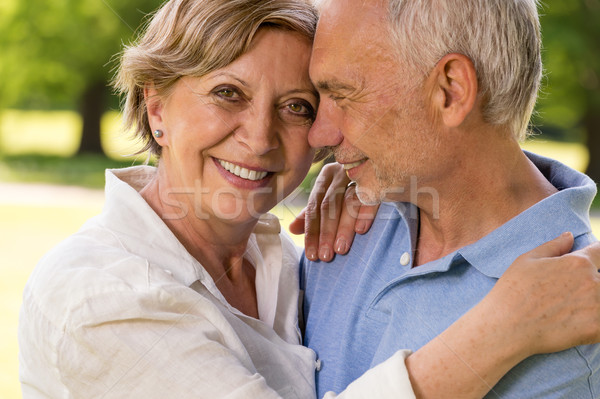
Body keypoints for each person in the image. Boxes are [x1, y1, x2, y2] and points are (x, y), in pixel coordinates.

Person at [17, 0, 600, 398]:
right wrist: (497, 332)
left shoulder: (574, 322)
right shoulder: (103, 297)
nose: (310, 137)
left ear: (449, 91)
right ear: (156, 107)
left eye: (307, 103)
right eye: (227, 93)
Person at [301, 0, 600, 398]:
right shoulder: (345, 223)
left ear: (451, 90)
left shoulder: (573, 322)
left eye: (343, 95)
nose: (318, 135)